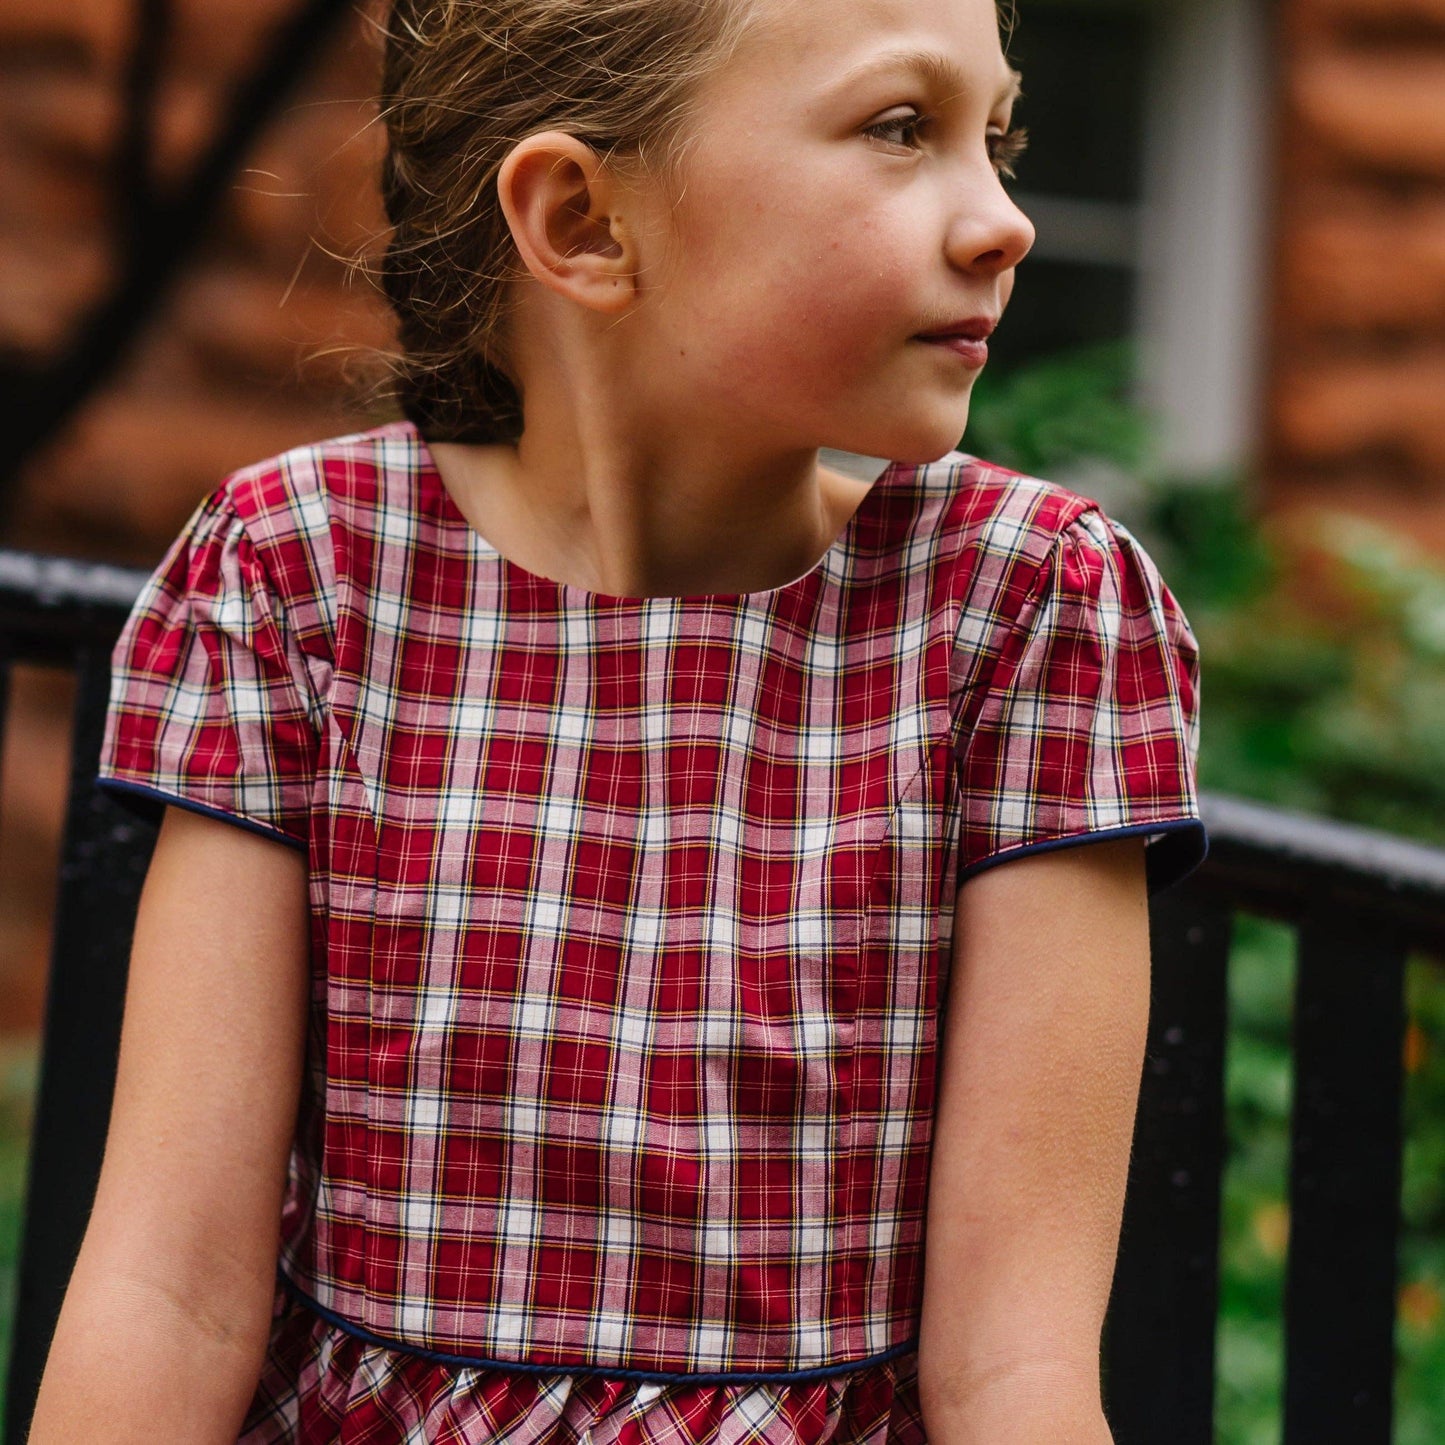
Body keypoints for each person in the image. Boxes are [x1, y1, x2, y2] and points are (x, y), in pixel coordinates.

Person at [29, 0, 1206, 1439]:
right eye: (901, 129)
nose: (1003, 220)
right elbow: (173, 1287)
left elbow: (1011, 1365)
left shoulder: (1025, 612)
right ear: (583, 220)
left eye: (996, 136)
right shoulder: (305, 574)